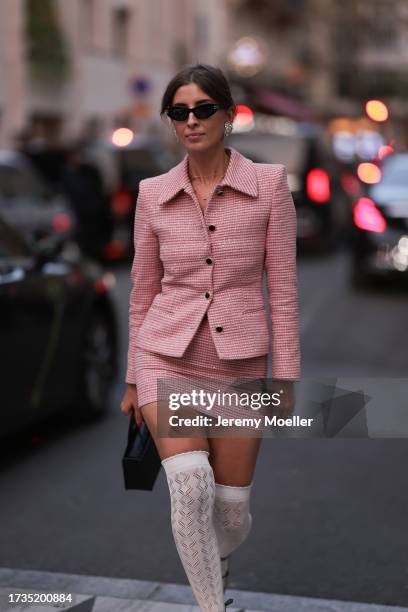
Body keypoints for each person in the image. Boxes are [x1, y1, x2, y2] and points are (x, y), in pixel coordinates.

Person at [120, 63, 301, 612]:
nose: (191, 120)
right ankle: (212, 606)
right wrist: (132, 377)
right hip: (164, 355)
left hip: (240, 363)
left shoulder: (269, 184)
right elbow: (142, 290)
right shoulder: (152, 194)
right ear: (170, 121)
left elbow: (285, 290)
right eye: (179, 112)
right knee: (191, 486)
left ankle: (216, 562)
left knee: (228, 511)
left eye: (203, 109)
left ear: (228, 114)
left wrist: (286, 380)